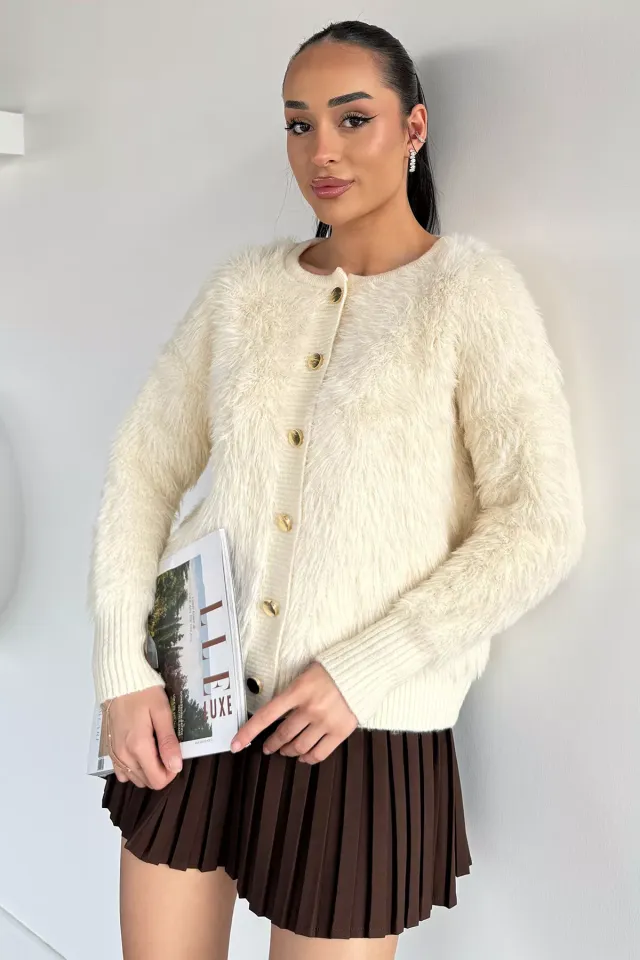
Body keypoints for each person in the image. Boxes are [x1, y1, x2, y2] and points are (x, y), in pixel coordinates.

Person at [87, 18, 586, 960]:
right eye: (299, 123)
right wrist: (122, 668)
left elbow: (541, 522)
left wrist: (366, 668)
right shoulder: (244, 290)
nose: (322, 149)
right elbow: (142, 467)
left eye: (353, 119)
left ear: (413, 128)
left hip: (359, 726)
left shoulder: (469, 294)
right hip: (192, 704)